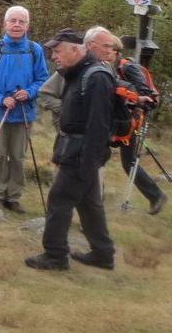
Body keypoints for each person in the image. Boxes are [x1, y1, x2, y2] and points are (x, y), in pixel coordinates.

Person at [26, 29, 115, 271]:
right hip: (74, 147)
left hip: (81, 152)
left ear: (76, 49)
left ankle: (55, 256)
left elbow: (99, 124)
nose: (54, 56)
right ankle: (103, 254)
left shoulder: (95, 77)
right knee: (89, 203)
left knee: (59, 200)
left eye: (57, 51)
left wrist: (89, 162)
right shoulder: (80, 72)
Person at [84, 26, 168, 215]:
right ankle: (153, 196)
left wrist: (132, 102)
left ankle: (155, 196)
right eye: (105, 48)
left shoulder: (128, 67)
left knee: (127, 162)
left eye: (110, 49)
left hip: (131, 121)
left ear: (116, 51)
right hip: (120, 120)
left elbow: (145, 94)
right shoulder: (110, 68)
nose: (107, 52)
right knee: (117, 160)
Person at [0, 6, 49, 213]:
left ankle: (14, 196)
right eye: (13, 21)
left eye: (22, 21)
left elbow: (42, 79)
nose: (17, 25)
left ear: (28, 25)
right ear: (5, 24)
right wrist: (1, 99)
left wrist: (29, 92)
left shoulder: (34, 50)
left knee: (18, 156)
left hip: (24, 113)